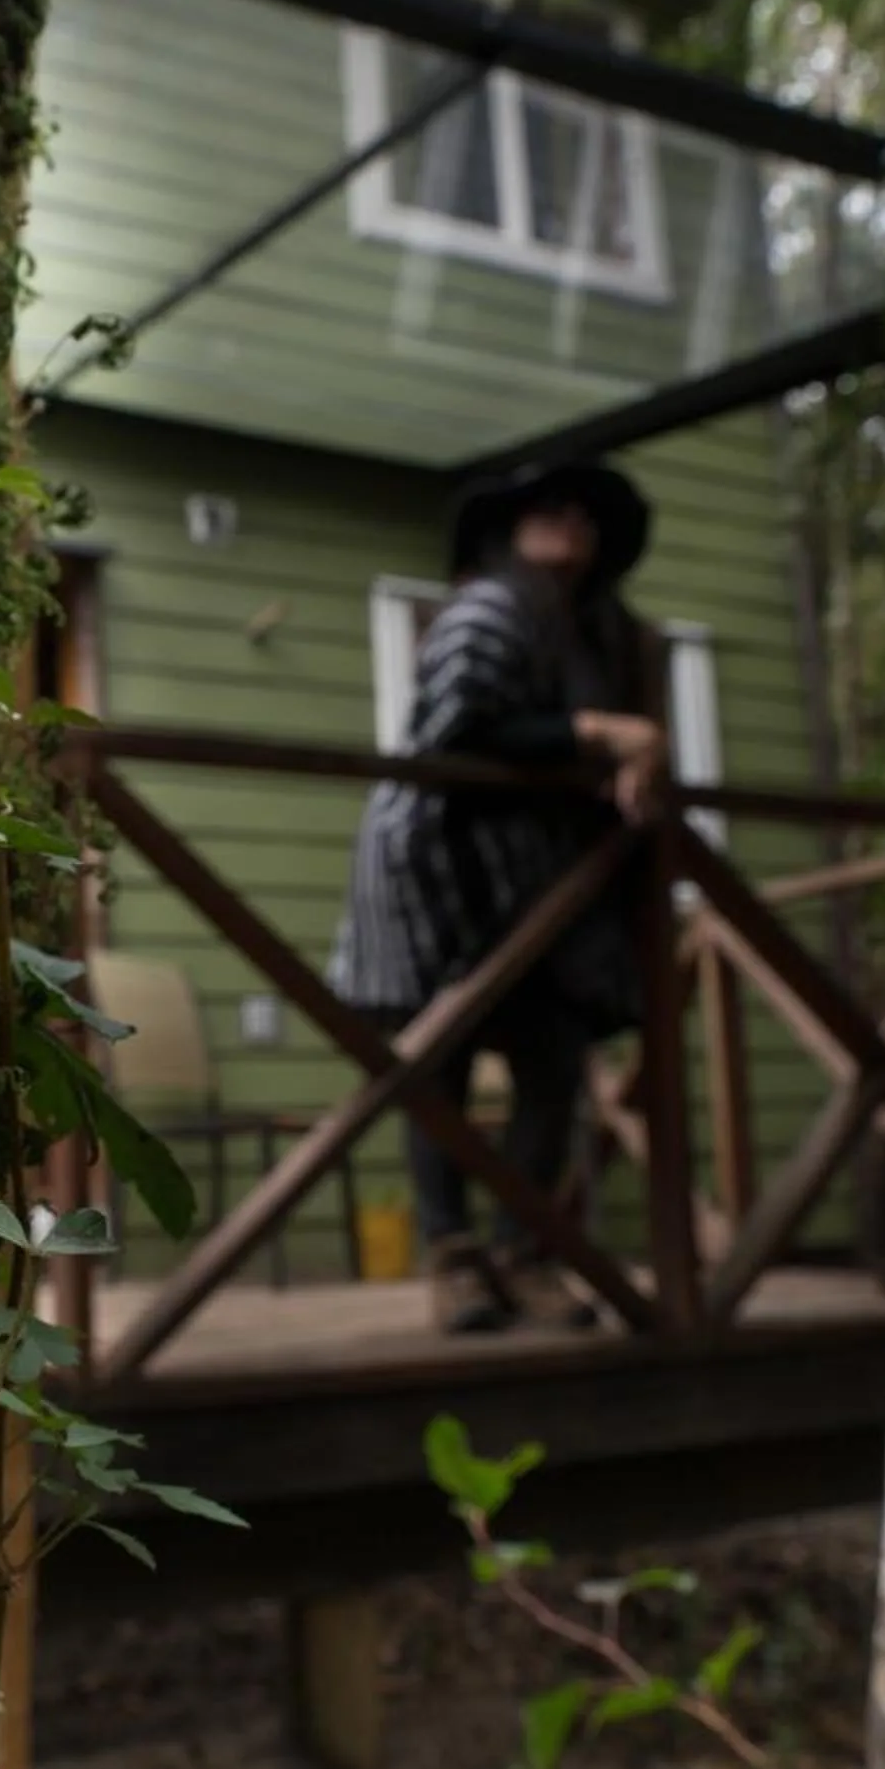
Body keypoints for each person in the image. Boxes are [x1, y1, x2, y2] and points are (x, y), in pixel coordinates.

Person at [327, 458, 670, 1335]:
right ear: (509, 532)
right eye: (548, 511)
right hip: (438, 866)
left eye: (585, 517)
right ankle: (454, 1259)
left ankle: (527, 1251)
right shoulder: (486, 609)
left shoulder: (597, 636)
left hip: (533, 884)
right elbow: (461, 729)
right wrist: (602, 735)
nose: (569, 526)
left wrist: (624, 767)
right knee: (434, 1064)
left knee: (552, 1065)